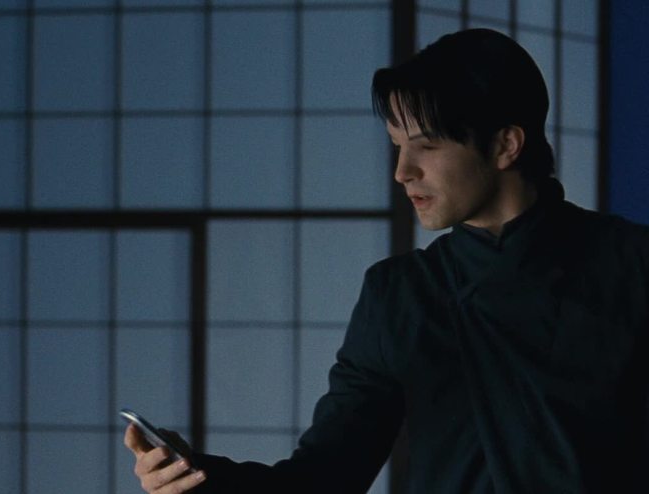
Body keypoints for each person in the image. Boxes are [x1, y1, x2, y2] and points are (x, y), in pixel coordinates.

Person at [124, 28, 649, 493]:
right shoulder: (400, 294)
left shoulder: (632, 263)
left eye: (426, 146)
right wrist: (198, 477)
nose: (402, 172)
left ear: (505, 145)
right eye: (397, 146)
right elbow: (322, 479)